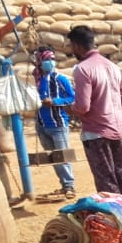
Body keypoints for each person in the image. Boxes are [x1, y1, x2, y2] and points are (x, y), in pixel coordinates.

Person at [67, 25, 122, 196]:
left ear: (77, 46)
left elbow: (82, 107)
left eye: (72, 46)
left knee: (106, 183)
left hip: (96, 134)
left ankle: (116, 220)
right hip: (118, 131)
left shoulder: (83, 69)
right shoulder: (114, 67)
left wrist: (69, 108)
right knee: (121, 177)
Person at [33, 48, 77, 198]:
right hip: (42, 124)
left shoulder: (60, 79)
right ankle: (64, 185)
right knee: (54, 157)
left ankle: (70, 186)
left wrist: (55, 101)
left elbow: (72, 97)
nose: (49, 62)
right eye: (46, 60)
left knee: (63, 156)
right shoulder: (37, 81)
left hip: (58, 124)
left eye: (51, 59)